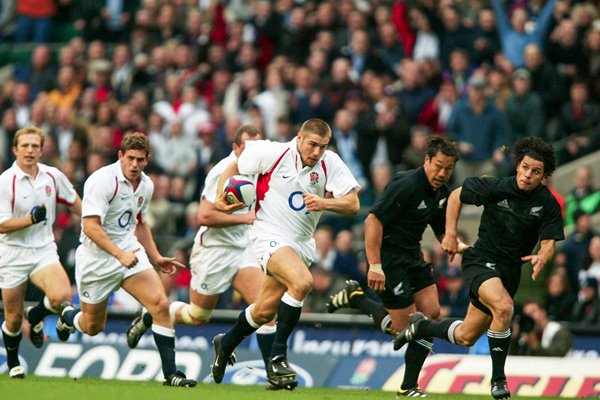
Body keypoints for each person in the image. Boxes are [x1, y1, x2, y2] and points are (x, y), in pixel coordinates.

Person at [394, 136, 564, 400]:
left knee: (466, 336)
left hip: (508, 271)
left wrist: (543, 254)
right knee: (505, 307)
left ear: (544, 176)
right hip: (480, 260)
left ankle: (422, 327)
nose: (528, 174)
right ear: (517, 165)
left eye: (536, 171)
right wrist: (449, 233)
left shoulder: (548, 204)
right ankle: (498, 381)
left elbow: (549, 242)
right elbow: (455, 196)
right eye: (525, 167)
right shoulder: (495, 187)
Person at [210, 118, 360, 390]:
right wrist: (222, 194)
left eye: (323, 146)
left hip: (302, 242)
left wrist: (325, 202)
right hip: (268, 233)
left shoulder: (331, 162)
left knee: (264, 310)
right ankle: (278, 357)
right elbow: (235, 164)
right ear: (299, 138)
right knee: (302, 282)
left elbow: (353, 203)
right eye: (312, 144)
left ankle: (226, 343)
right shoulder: (271, 152)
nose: (316, 152)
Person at [126, 125, 278, 370]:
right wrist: (245, 218)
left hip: (243, 248)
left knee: (266, 309)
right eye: (248, 147)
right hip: (214, 250)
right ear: (236, 148)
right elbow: (205, 216)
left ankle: (274, 370)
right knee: (197, 316)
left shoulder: (258, 168)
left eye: (257, 146)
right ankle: (148, 315)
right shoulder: (221, 172)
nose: (254, 152)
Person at [54, 132, 196, 387]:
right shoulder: (101, 180)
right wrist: (119, 254)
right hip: (97, 260)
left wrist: (155, 257)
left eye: (140, 160)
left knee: (160, 304)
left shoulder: (147, 185)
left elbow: (140, 224)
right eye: (130, 158)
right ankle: (67, 317)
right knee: (92, 326)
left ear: (147, 160)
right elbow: (90, 227)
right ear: (120, 156)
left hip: (130, 252)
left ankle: (171, 375)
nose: (134, 165)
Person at [327, 135, 464, 397]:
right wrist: (375, 265)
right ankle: (358, 300)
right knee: (406, 328)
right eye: (438, 166)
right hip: (388, 260)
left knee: (431, 315)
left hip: (412, 256)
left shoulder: (441, 192)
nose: (443, 173)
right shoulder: (406, 183)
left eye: (449, 168)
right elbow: (372, 221)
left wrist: (457, 244)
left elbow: (440, 231)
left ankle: (409, 386)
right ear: (426, 160)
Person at [0, 126, 81, 379]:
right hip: (12, 254)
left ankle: (35, 314)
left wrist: (93, 221)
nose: (30, 150)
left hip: (43, 250)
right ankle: (14, 363)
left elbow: (75, 201)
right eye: (25, 145)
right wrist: (30, 219)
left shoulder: (52, 176)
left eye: (35, 146)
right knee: (13, 318)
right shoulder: (5, 181)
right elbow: (1, 224)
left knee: (62, 296)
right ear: (15, 149)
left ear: (42, 150)